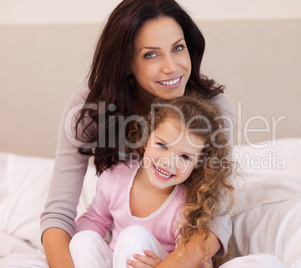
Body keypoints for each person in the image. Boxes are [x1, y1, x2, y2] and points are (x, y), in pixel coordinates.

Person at [39, 0, 235, 267]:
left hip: (176, 250)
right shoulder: (88, 112)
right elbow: (58, 214)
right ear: (126, 63)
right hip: (116, 246)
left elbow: (216, 220)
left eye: (178, 48)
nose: (172, 67)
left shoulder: (213, 110)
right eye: (151, 54)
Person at [68, 95, 234, 268]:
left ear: (198, 165)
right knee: (83, 239)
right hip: (116, 261)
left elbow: (197, 261)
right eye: (162, 145)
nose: (168, 162)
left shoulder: (187, 205)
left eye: (184, 157)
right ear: (146, 139)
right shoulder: (116, 177)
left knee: (133, 236)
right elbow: (96, 219)